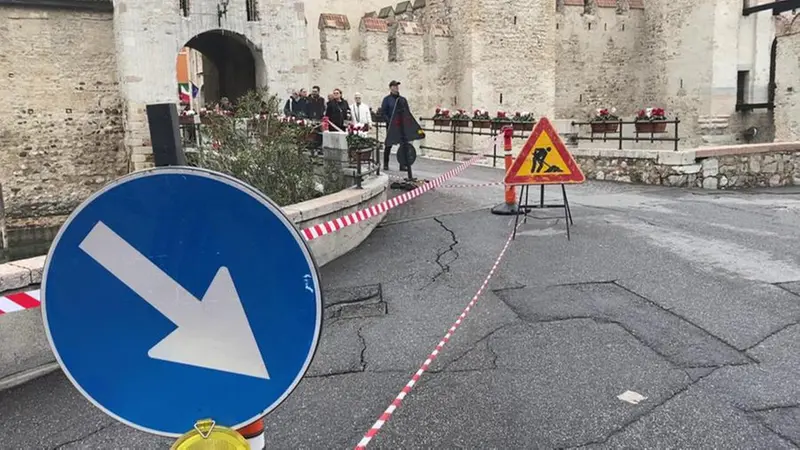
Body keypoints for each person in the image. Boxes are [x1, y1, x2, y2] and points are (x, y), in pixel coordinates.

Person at [381, 80, 425, 171]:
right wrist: (390, 122)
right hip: (391, 126)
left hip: (401, 127)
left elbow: (407, 113)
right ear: (391, 87)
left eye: (397, 86)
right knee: (388, 145)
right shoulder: (387, 100)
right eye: (394, 86)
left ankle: (402, 165)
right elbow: (384, 113)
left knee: (403, 145)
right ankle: (385, 164)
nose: (396, 87)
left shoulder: (402, 100)